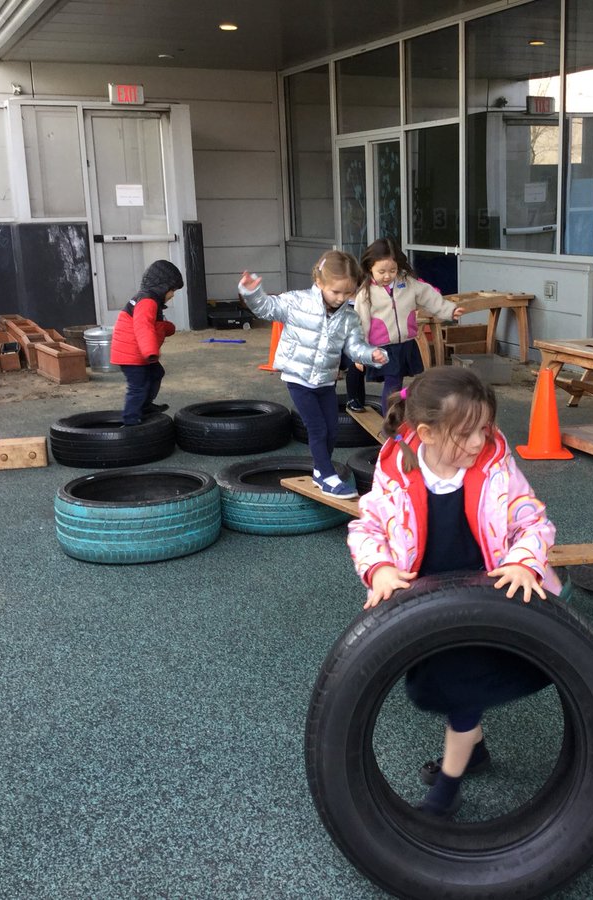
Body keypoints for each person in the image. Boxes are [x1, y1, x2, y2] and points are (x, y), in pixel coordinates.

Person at [346, 366, 563, 817]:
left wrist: (524, 561)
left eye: (484, 429)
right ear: (425, 432)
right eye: (464, 434)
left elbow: (532, 519)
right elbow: (366, 526)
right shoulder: (397, 468)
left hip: (487, 598)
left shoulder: (495, 465)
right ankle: (475, 751)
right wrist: (380, 567)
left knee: (463, 692)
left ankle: (447, 788)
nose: (477, 443)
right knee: (442, 685)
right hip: (427, 602)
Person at [238, 251, 388, 498]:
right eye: (336, 292)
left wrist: (372, 355)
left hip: (326, 380)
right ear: (319, 283)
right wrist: (252, 292)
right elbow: (266, 308)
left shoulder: (349, 318)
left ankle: (321, 471)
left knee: (332, 428)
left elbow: (354, 347)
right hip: (298, 378)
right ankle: (327, 474)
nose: (341, 298)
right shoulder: (296, 302)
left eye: (348, 293)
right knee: (317, 428)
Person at [353, 238, 464, 413]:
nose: (387, 276)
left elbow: (428, 295)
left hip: (406, 343)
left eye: (392, 270)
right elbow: (359, 324)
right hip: (383, 348)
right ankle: (389, 422)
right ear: (369, 268)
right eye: (381, 271)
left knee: (399, 382)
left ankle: (397, 415)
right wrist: (360, 354)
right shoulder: (365, 293)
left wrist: (449, 311)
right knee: (392, 383)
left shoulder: (407, 283)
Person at [110, 259, 184, 426]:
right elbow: (143, 327)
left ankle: (145, 406)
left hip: (140, 354)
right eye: (172, 290)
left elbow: (153, 325)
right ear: (162, 286)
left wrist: (167, 328)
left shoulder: (151, 301)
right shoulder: (147, 301)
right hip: (133, 356)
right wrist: (150, 351)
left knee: (156, 373)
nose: (172, 295)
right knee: (138, 386)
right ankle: (130, 421)